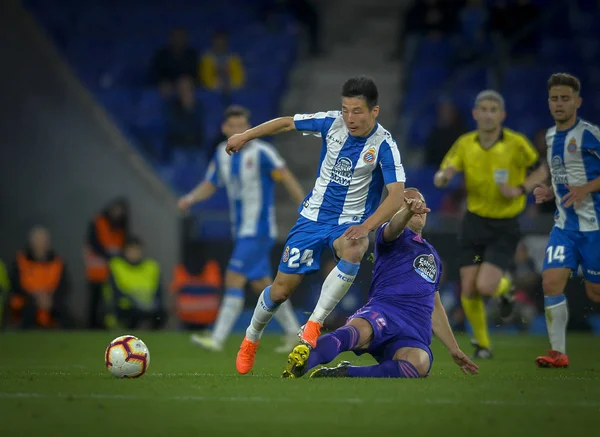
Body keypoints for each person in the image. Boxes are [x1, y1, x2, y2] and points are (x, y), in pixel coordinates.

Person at [226, 76, 406, 375]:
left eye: (358, 111)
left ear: (375, 111)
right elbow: (286, 123)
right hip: (312, 219)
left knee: (356, 244)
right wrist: (246, 135)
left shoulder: (384, 145)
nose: (350, 118)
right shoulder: (331, 123)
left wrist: (367, 226)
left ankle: (313, 324)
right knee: (280, 291)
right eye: (346, 109)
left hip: (347, 224)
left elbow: (396, 195)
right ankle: (251, 339)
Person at [281, 188, 478, 379]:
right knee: (354, 333)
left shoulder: (433, 256)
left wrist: (454, 348)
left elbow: (435, 305)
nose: (417, 205)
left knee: (420, 364)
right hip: (383, 312)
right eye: (408, 201)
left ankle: (346, 372)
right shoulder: (391, 235)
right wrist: (406, 211)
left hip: (413, 330)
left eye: (421, 202)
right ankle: (300, 364)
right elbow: (394, 226)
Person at [179, 105, 306, 353]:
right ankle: (295, 332)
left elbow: (285, 176)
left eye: (242, 126)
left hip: (257, 229)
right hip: (241, 230)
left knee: (233, 278)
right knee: (264, 286)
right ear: (225, 128)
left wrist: (305, 206)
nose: (238, 130)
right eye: (233, 126)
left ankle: (217, 339)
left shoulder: (262, 152)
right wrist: (190, 199)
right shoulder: (220, 154)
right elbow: (211, 184)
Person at [434, 90, 548, 359]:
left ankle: (506, 289)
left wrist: (521, 188)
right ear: (475, 113)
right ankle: (483, 345)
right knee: (468, 287)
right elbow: (446, 169)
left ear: (502, 115)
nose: (487, 114)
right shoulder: (465, 143)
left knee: (485, 286)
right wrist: (443, 176)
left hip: (504, 225)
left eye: (492, 109)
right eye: (482, 109)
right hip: (474, 223)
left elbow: (541, 170)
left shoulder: (516, 143)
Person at [532, 73, 600, 368]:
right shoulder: (549, 136)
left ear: (578, 101)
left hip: (594, 228)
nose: (559, 104)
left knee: (594, 292)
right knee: (550, 282)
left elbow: (584, 179)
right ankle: (558, 353)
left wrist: (587, 188)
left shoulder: (589, 134)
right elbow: (562, 173)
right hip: (564, 227)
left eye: (565, 98)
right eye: (554, 99)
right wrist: (550, 192)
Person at [9, 226, 71, 329]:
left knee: (67, 318)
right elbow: (15, 284)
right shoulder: (20, 261)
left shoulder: (57, 262)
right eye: (37, 240)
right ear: (31, 242)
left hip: (51, 301)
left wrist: (50, 298)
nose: (40, 244)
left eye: (43, 241)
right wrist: (35, 297)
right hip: (27, 302)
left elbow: (64, 286)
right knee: (27, 312)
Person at [83, 197, 129, 329]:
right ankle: (91, 326)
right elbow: (93, 243)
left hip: (113, 271)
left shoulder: (121, 226)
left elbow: (122, 246)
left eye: (120, 210)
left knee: (109, 301)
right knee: (95, 299)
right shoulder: (98, 222)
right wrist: (108, 255)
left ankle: (105, 326)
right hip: (96, 270)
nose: (118, 213)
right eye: (116, 209)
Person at [105, 236, 166, 330]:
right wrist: (134, 301)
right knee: (130, 314)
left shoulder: (151, 266)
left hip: (148, 307)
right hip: (126, 307)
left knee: (161, 313)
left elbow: (158, 292)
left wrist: (155, 304)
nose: (134, 253)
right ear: (124, 251)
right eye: (131, 250)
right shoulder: (116, 265)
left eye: (137, 250)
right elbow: (115, 292)